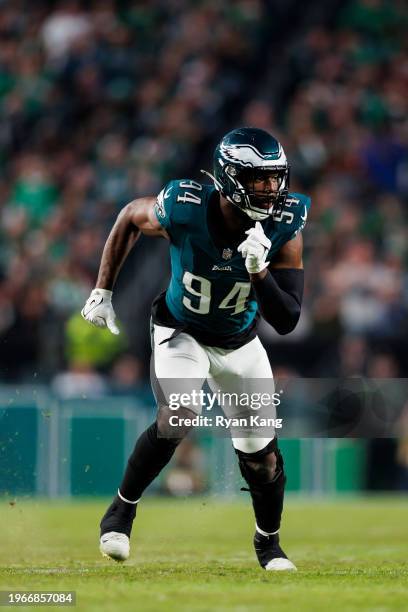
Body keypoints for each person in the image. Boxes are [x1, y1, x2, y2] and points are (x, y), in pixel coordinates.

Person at [81, 127, 310, 571]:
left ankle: (269, 544)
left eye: (275, 178)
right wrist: (103, 290)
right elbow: (131, 214)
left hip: (240, 342)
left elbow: (287, 320)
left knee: (261, 457)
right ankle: (122, 510)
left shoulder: (285, 223)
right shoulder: (185, 208)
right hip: (181, 331)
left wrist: (260, 271)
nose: (271, 190)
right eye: (259, 179)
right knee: (181, 415)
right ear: (229, 177)